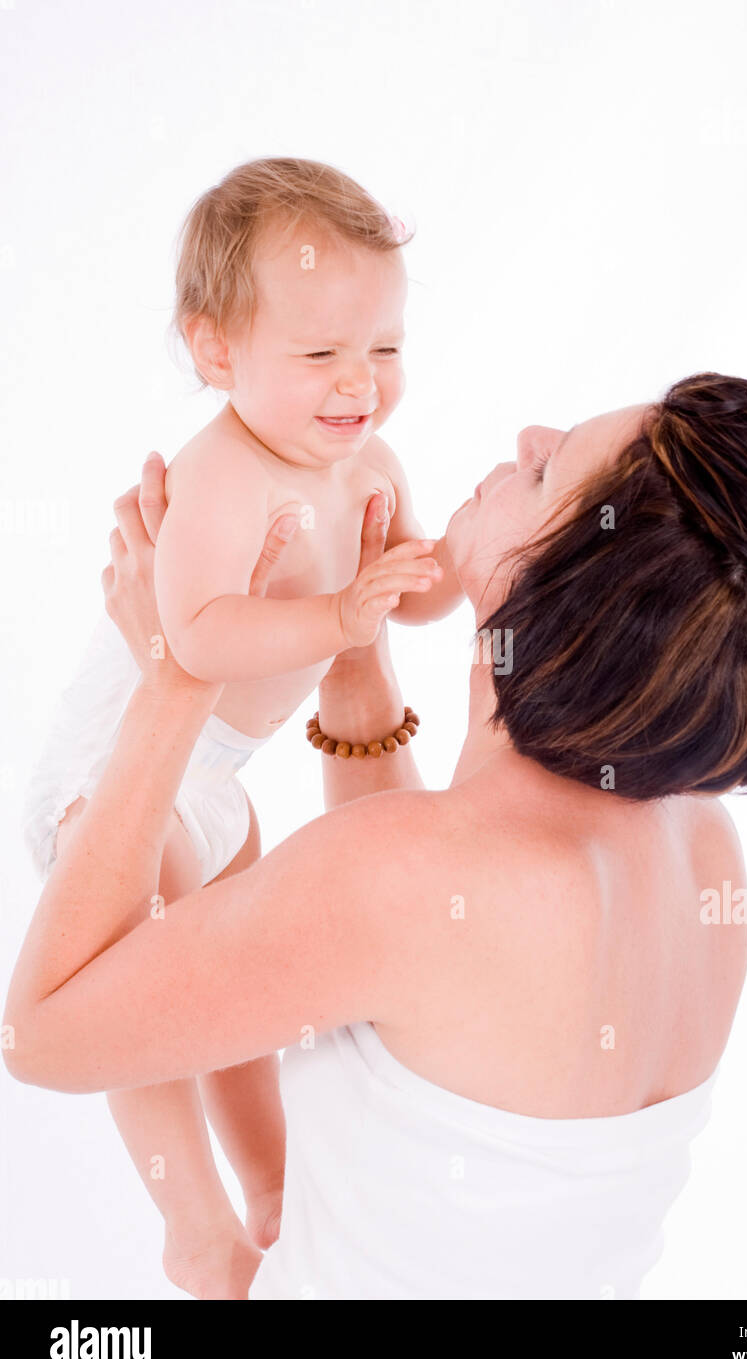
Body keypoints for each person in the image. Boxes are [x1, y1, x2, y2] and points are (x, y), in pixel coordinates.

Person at [5, 372, 747, 1300]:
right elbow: (419, 961)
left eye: (545, 471)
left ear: (563, 592)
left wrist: (176, 677)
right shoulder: (699, 851)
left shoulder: (422, 881)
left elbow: (41, 1034)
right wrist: (355, 661)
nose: (529, 434)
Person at [19, 156, 462, 1294]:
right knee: (136, 972)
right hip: (118, 774)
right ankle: (193, 1217)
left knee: (233, 971)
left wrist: (442, 566)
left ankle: (273, 1183)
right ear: (215, 351)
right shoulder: (225, 474)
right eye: (318, 355)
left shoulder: (365, 459)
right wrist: (337, 611)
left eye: (385, 348)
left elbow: (407, 589)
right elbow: (199, 638)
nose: (357, 383)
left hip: (214, 775)